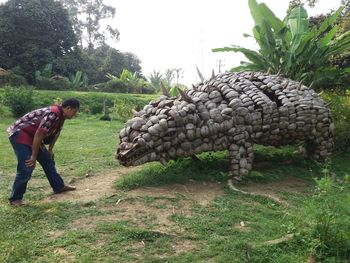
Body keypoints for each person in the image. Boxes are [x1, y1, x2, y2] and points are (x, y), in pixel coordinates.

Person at [6, 98, 80, 206]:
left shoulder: (62, 116)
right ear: (68, 108)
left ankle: (58, 186)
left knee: (47, 160)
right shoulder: (53, 113)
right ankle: (15, 199)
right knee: (27, 165)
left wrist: (50, 149)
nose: (74, 115)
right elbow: (39, 134)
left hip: (33, 135)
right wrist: (33, 156)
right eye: (74, 112)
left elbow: (57, 132)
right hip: (20, 132)